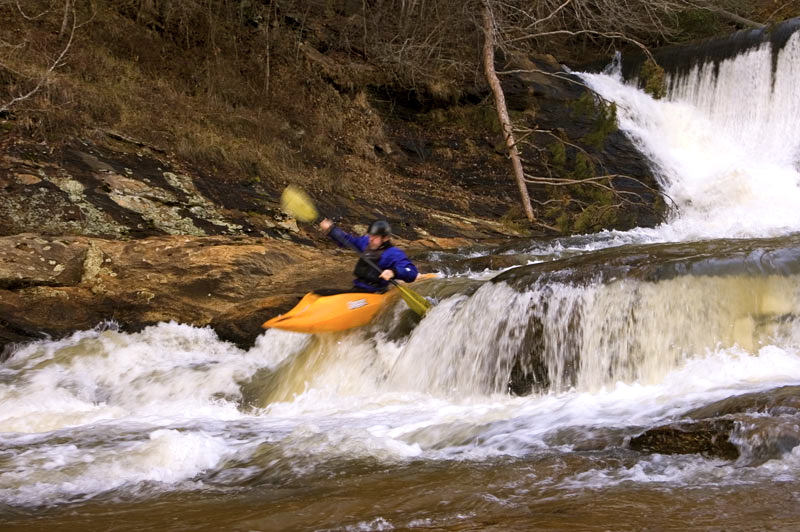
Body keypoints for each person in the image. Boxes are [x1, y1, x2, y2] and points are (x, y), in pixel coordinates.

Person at [319, 218, 418, 293]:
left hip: (375, 293)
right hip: (358, 289)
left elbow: (412, 272)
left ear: (385, 238)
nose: (370, 239)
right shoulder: (365, 242)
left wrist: (393, 272)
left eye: (375, 237)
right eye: (370, 235)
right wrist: (332, 230)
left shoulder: (393, 254)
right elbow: (348, 240)